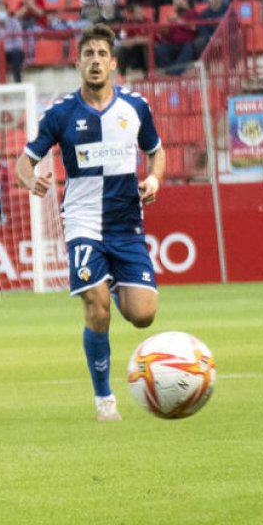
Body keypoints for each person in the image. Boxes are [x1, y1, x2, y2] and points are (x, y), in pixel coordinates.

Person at [16, 24, 165, 422]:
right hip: (83, 223)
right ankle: (105, 401)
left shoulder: (135, 107)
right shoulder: (61, 113)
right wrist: (34, 181)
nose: (95, 61)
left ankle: (115, 285)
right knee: (97, 309)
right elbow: (24, 163)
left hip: (126, 224)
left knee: (143, 315)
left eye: (102, 54)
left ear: (113, 62)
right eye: (88, 55)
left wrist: (154, 178)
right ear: (78, 63)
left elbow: (156, 152)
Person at [154, 0, 199, 75]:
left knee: (189, 49)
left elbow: (194, 28)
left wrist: (178, 20)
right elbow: (165, 34)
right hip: (172, 43)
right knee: (160, 48)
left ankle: (174, 72)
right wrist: (164, 29)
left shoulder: (192, 13)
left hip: (187, 43)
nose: (178, 5)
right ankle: (167, 69)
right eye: (176, 3)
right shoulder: (171, 16)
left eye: (180, 2)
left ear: (186, 3)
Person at [0, 6, 26, 84]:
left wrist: (4, 49)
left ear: (7, 11)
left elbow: (18, 42)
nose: (0, 13)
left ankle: (18, 81)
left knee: (17, 53)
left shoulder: (15, 23)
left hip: (12, 51)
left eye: (2, 10)